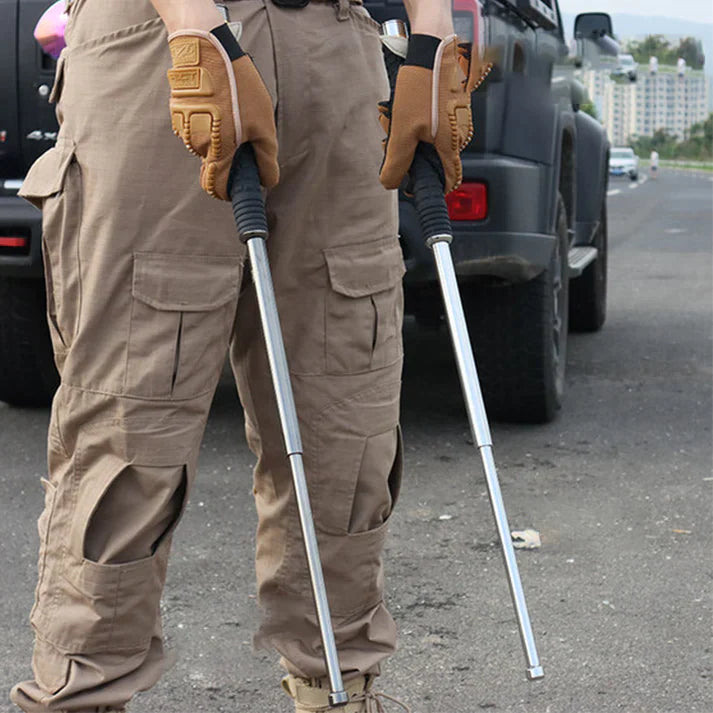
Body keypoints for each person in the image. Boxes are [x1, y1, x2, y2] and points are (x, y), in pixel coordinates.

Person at [11, 0, 484, 711]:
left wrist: (433, 39)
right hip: (161, 49)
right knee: (133, 418)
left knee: (346, 419)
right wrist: (197, 28)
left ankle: (338, 685)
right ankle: (87, 690)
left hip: (337, 53)